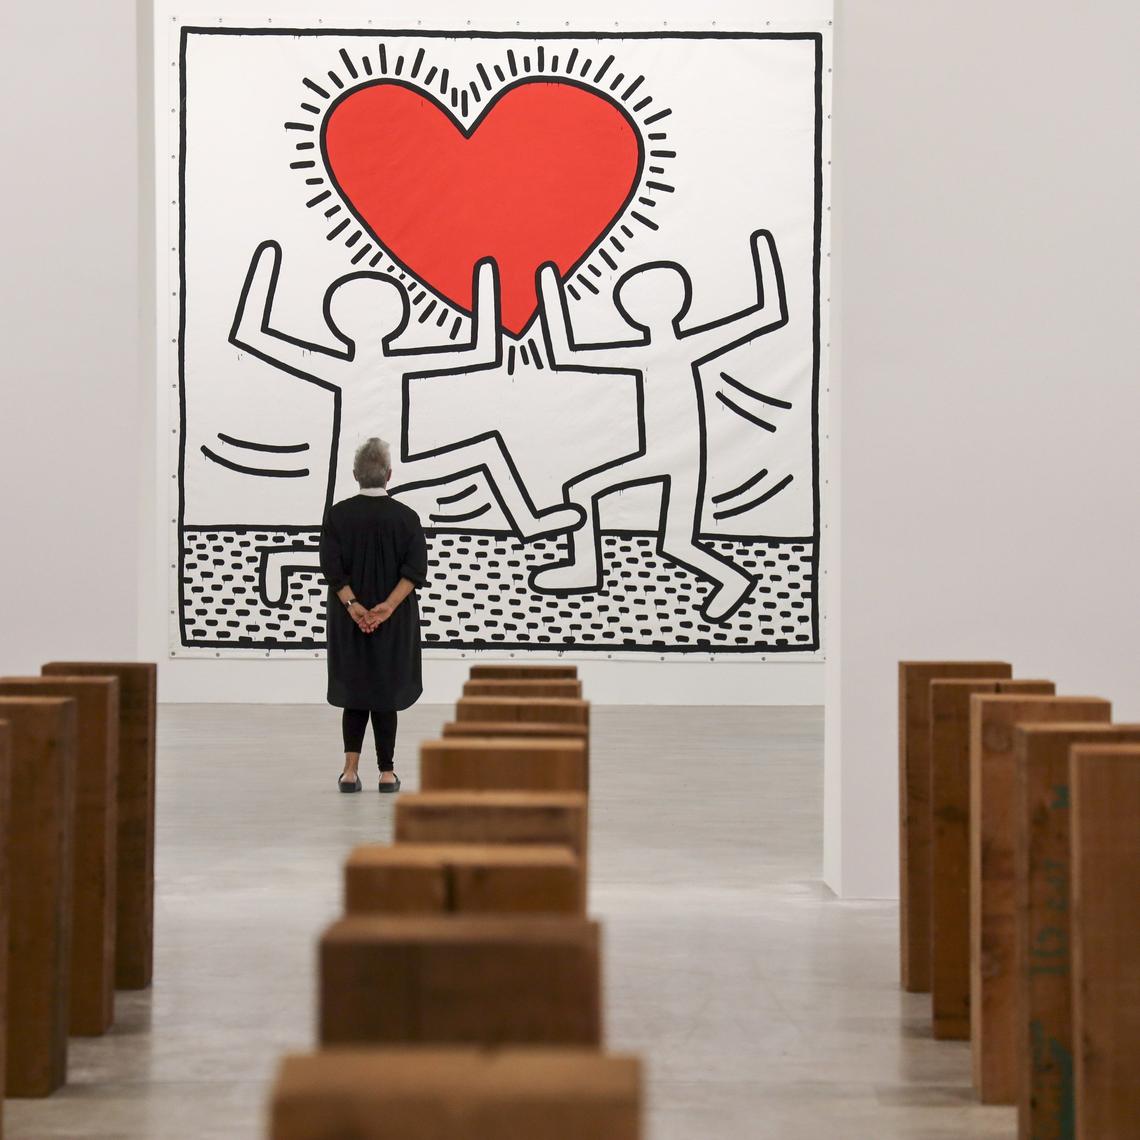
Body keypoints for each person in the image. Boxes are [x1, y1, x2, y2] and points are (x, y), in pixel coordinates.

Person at [319, 437, 427, 793]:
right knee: (384, 691)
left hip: (348, 621)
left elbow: (332, 569)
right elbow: (414, 571)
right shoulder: (407, 518)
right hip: (393, 622)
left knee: (355, 691)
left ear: (355, 475)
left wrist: (354, 607)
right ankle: (387, 772)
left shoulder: (338, 515)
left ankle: (349, 772)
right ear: (389, 475)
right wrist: (387, 608)